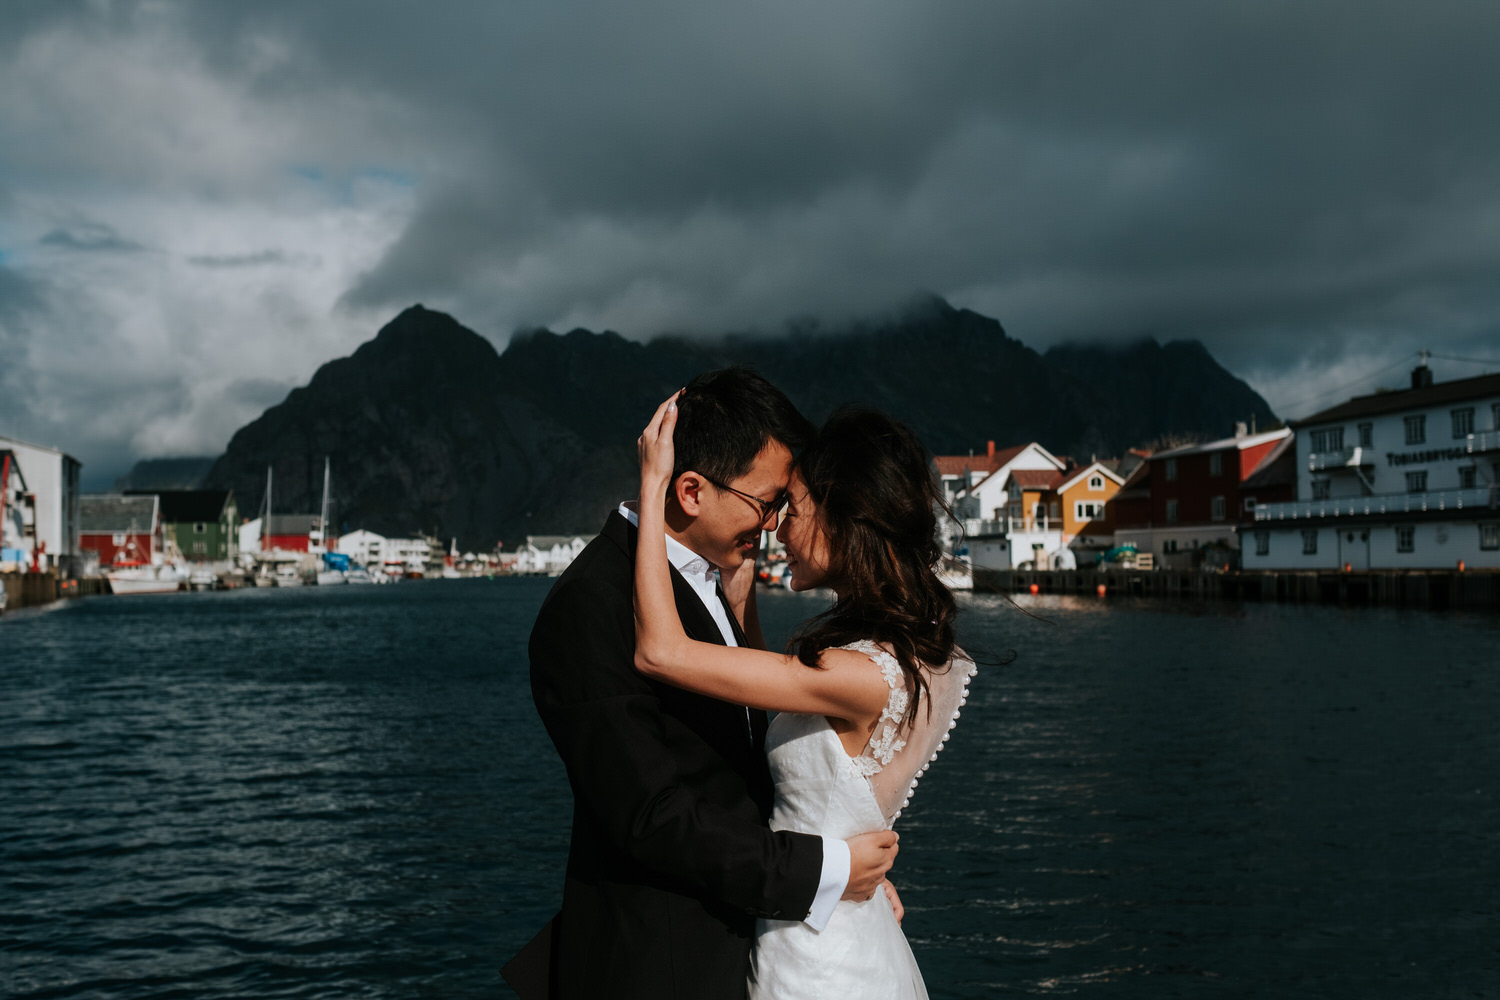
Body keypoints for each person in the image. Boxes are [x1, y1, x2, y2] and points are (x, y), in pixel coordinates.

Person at [521, 367, 901, 1000]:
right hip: (663, 965)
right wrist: (824, 871)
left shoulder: (717, 576)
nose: (777, 522)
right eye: (767, 501)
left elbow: (743, 770)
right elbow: (650, 816)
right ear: (691, 491)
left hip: (747, 944)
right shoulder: (592, 602)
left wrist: (844, 875)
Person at [634, 392, 977, 1000]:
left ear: (844, 518)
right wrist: (744, 607)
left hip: (819, 958)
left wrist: (654, 488)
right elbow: (793, 719)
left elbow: (660, 652)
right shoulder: (904, 655)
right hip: (836, 920)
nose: (775, 527)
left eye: (790, 509)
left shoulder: (858, 674)